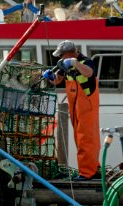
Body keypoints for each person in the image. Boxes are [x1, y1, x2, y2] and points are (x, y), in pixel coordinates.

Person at [43, 40, 101, 181]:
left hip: (87, 106)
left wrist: (75, 63)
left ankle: (87, 173)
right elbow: (58, 80)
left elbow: (89, 73)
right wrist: (51, 78)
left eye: (62, 55)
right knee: (79, 138)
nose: (60, 58)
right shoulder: (64, 64)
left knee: (86, 139)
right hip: (75, 106)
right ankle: (94, 168)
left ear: (69, 53)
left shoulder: (85, 62)